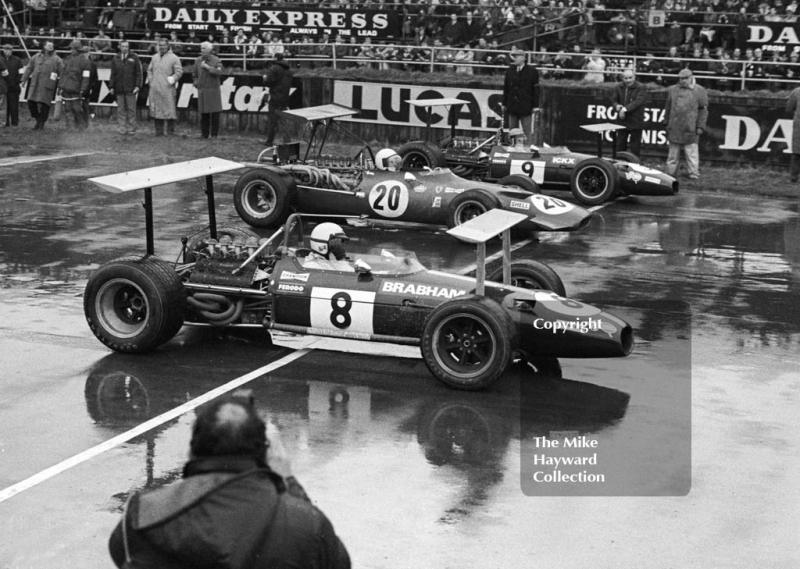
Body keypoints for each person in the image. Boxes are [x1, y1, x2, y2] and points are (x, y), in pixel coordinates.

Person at [108, 395, 350, 569]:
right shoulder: (306, 523)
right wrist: (287, 479)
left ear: (193, 451)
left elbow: (120, 552)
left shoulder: (144, 514)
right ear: (265, 454)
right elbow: (331, 560)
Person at [663, 68, 708, 180]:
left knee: (691, 152)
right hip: (674, 126)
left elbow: (703, 110)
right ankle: (670, 173)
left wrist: (700, 126)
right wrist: (666, 121)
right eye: (681, 78)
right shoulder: (673, 90)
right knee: (673, 154)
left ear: (691, 77)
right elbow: (668, 107)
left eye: (685, 78)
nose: (683, 81)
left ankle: (693, 173)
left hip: (691, 126)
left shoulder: (700, 90)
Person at [21, 40, 63, 130]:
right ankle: (39, 119)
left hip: (48, 86)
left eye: (52, 45)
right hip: (35, 84)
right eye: (49, 45)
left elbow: (62, 73)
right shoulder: (36, 57)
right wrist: (23, 80)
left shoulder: (57, 59)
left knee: (45, 105)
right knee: (31, 102)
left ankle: (41, 124)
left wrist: (60, 86)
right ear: (44, 46)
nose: (51, 47)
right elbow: (29, 68)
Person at [147, 38, 183, 136]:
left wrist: (173, 78)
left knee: (170, 110)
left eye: (164, 45)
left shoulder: (174, 58)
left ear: (168, 46)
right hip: (155, 88)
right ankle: (159, 131)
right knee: (157, 110)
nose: (162, 47)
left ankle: (171, 131)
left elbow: (179, 72)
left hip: (167, 88)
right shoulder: (154, 57)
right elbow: (149, 70)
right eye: (160, 45)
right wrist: (151, 80)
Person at [503, 45, 539, 140]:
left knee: (527, 131)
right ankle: (513, 150)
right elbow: (506, 88)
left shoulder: (532, 71)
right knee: (512, 131)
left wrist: (536, 105)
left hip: (525, 105)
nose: (514, 59)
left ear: (523, 58)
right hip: (513, 104)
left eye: (517, 57)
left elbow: (535, 89)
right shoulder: (510, 70)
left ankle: (527, 150)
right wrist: (504, 103)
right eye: (514, 57)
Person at [611, 68, 647, 158]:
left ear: (634, 77)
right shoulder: (618, 86)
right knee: (620, 145)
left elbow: (638, 102)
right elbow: (613, 100)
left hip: (636, 120)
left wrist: (624, 109)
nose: (628, 80)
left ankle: (635, 165)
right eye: (626, 78)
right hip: (622, 121)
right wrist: (617, 106)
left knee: (635, 147)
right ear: (622, 78)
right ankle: (619, 163)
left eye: (630, 78)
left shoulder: (641, 87)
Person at [57, 39, 92, 130]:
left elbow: (86, 77)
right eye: (71, 48)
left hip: (77, 89)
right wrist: (60, 86)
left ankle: (81, 126)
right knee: (68, 108)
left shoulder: (85, 61)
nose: (71, 50)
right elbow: (63, 73)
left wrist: (82, 89)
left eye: (73, 49)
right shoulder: (68, 59)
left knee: (77, 109)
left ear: (78, 49)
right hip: (66, 87)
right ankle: (70, 128)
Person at [109, 40, 142, 135]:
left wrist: (137, 86)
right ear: (119, 47)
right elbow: (113, 74)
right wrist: (111, 86)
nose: (125, 48)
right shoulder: (115, 58)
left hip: (131, 88)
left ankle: (132, 128)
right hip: (119, 88)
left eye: (126, 46)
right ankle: (122, 128)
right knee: (121, 109)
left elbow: (138, 73)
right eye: (123, 46)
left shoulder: (134, 57)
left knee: (131, 109)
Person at [193, 41, 223, 139]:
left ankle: (214, 134)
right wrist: (196, 83)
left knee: (215, 114)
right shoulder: (197, 60)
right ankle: (204, 134)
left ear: (210, 50)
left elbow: (219, 72)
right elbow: (194, 74)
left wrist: (208, 67)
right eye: (201, 48)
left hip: (213, 90)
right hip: (202, 90)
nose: (202, 50)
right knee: (204, 114)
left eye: (204, 48)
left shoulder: (216, 60)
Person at [262, 52, 293, 146]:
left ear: (275, 58)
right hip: (285, 97)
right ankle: (287, 141)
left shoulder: (273, 68)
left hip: (275, 97)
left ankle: (269, 141)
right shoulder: (288, 71)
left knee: (272, 121)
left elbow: (268, 82)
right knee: (284, 121)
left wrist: (264, 78)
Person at [1, 44, 23, 126]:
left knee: (14, 106)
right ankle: (5, 122)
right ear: (3, 50)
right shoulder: (1, 59)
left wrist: (17, 81)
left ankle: (15, 122)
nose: (7, 51)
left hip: (14, 86)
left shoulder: (17, 60)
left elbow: (21, 72)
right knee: (4, 107)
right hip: (3, 87)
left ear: (12, 50)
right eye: (6, 49)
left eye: (9, 49)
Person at [786, 85, 800, 182]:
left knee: (796, 152)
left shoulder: (796, 91)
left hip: (799, 124)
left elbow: (789, 108)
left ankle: (794, 177)